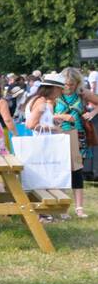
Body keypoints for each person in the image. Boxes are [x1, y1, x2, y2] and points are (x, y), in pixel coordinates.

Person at [54, 67, 97, 218]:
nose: (69, 87)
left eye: (72, 84)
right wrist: (62, 116)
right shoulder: (55, 94)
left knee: (77, 172)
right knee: (62, 172)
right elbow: (47, 114)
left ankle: (79, 208)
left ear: (77, 83)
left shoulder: (82, 94)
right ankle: (63, 208)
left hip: (79, 137)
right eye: (66, 84)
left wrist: (92, 113)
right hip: (60, 135)